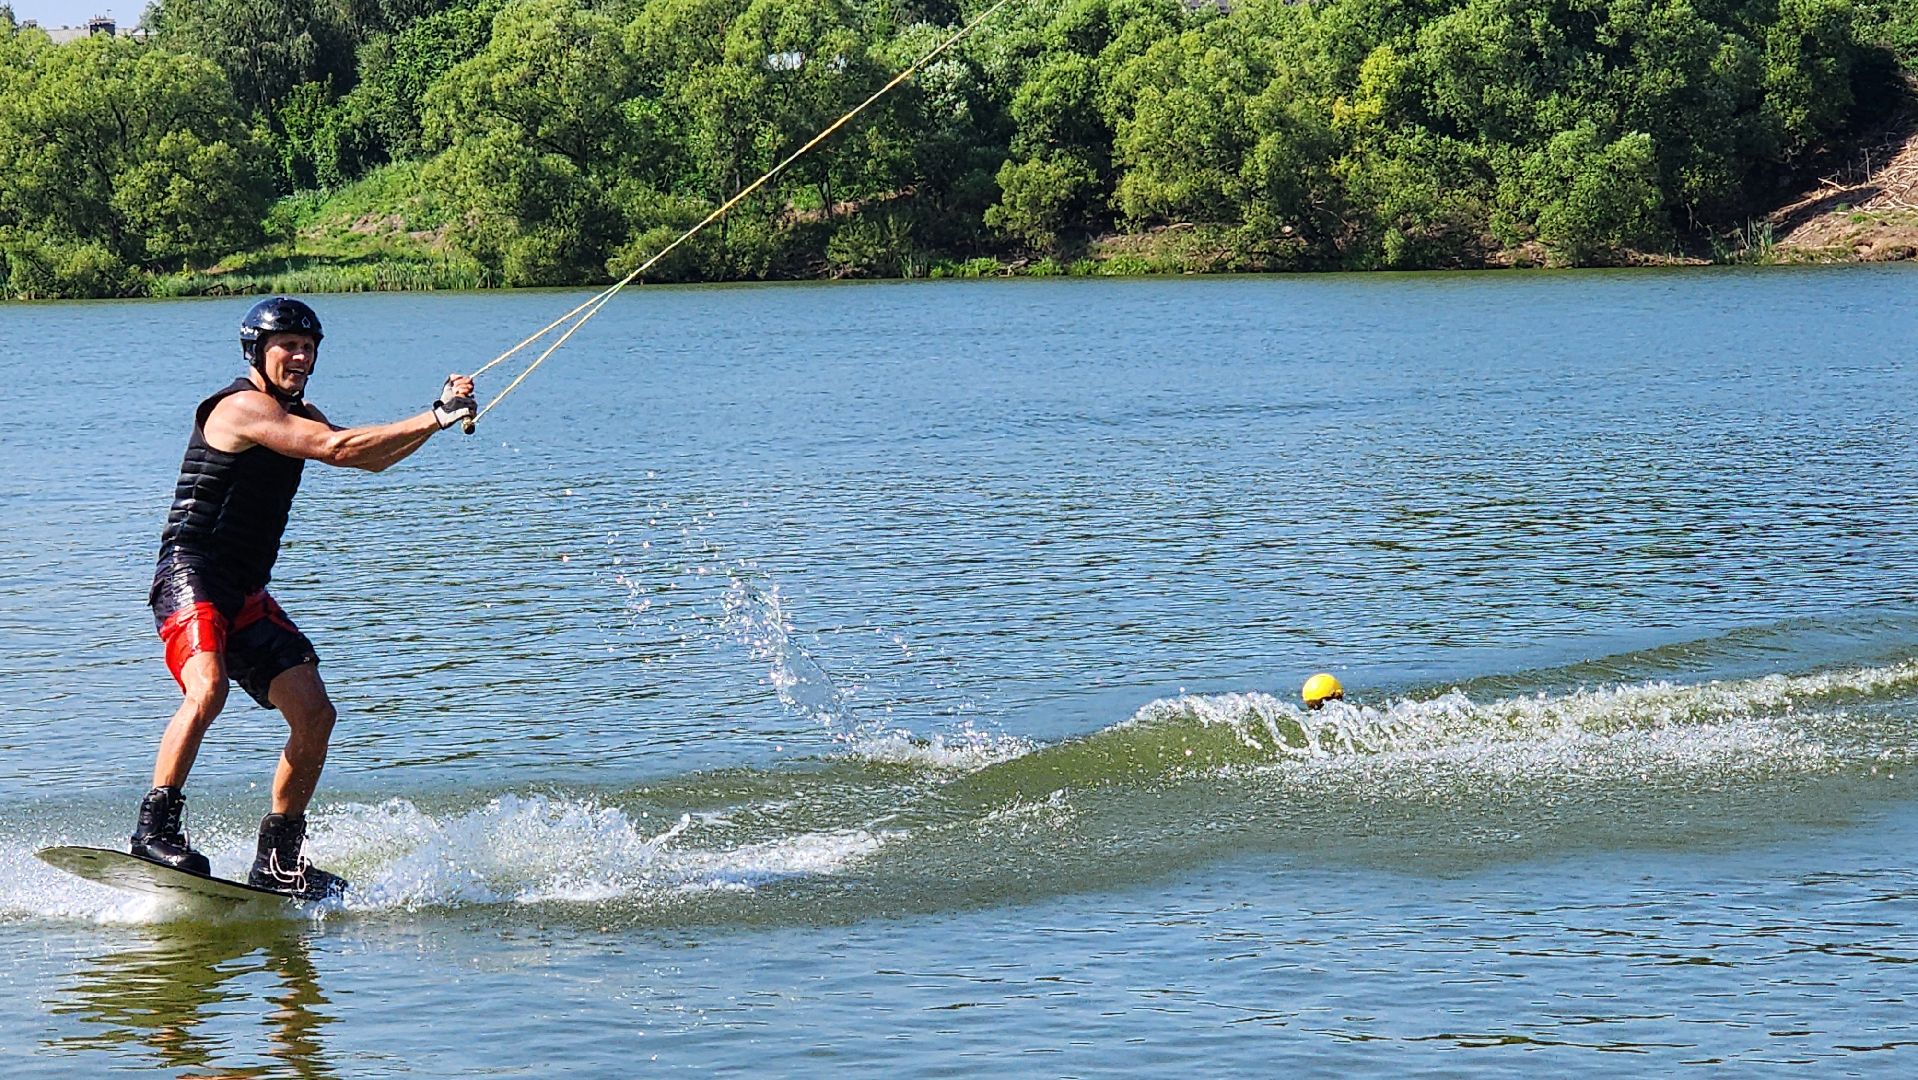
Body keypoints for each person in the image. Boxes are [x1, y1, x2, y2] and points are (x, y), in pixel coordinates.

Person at [131, 296, 477, 899]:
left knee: (316, 714)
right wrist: (435, 415)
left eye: (308, 347)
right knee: (208, 687)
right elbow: (337, 448)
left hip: (245, 589)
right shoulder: (240, 407)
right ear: (257, 351)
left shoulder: (302, 414)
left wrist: (436, 421)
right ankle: (154, 830)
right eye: (287, 346)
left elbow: (366, 458)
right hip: (192, 573)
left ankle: (278, 858)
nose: (299, 356)